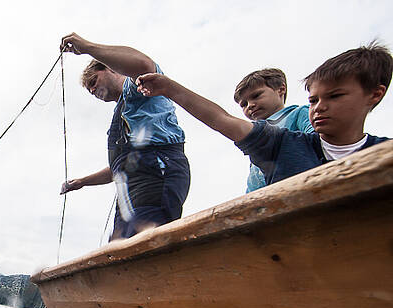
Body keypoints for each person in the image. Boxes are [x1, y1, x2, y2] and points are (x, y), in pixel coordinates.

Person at [135, 43, 391, 186]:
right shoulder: (283, 144)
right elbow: (223, 120)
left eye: (335, 96)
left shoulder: (384, 152)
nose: (318, 107)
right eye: (313, 100)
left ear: (374, 95)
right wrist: (169, 88)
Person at [59, 33, 191, 240]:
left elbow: (143, 64)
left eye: (94, 81)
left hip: (155, 173)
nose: (93, 89)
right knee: (119, 250)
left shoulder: (140, 87)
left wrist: (87, 47)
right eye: (90, 90)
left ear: (111, 68)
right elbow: (118, 168)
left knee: (144, 244)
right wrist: (82, 182)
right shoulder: (120, 112)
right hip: (129, 189)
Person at [233, 68, 313, 192]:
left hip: (299, 186)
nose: (250, 105)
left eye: (256, 96)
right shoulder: (256, 135)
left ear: (281, 89)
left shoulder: (298, 113)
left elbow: (319, 140)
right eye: (244, 104)